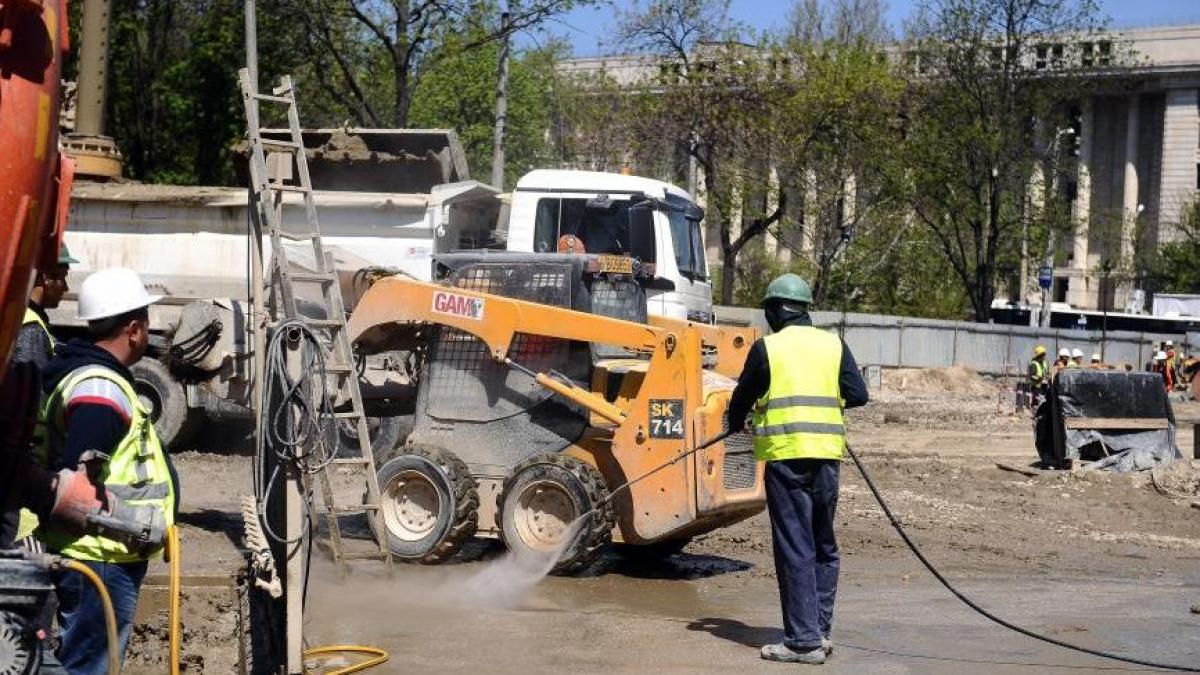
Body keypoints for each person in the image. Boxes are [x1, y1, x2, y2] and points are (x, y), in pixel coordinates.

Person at [36, 267, 175, 675]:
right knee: (87, 668)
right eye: (147, 325)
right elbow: (76, 479)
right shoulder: (101, 390)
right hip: (99, 559)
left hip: (100, 554)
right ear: (133, 329)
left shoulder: (95, 377)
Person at [726, 274, 868, 665]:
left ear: (774, 310)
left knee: (795, 546)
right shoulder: (833, 344)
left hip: (787, 457)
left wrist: (734, 420)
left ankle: (802, 643)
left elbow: (741, 398)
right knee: (824, 544)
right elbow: (858, 394)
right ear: (805, 309)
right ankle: (819, 631)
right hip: (826, 457)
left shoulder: (767, 348)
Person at [13, 244, 77, 369]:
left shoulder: (22, 316)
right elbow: (32, 386)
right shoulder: (30, 328)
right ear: (46, 277)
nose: (66, 287)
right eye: (62, 277)